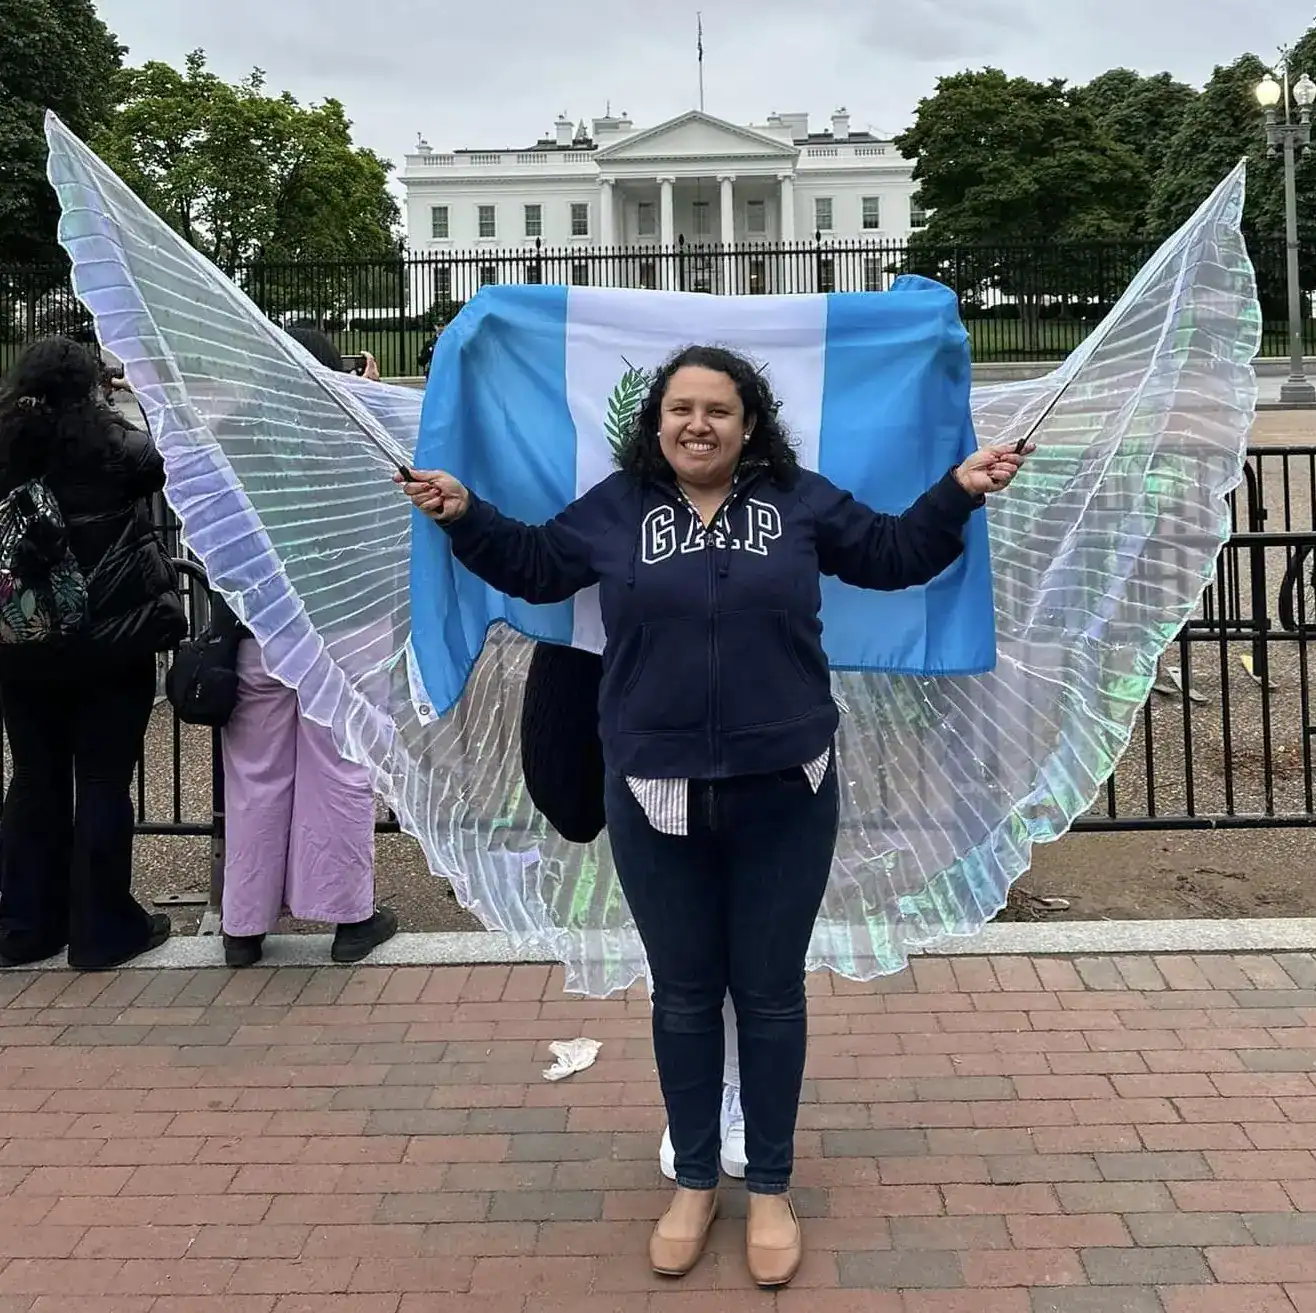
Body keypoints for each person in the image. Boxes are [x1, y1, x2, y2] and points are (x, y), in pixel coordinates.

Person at [399, 344, 1030, 1287]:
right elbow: (534, 566)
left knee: (771, 993)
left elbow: (896, 555)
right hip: (653, 791)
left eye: (719, 411)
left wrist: (960, 490)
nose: (699, 424)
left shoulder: (799, 502)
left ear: (750, 424)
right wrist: (465, 515)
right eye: (681, 408)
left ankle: (768, 1184)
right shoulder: (616, 507)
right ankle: (696, 1180)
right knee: (686, 993)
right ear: (655, 420)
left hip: (789, 788)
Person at [0, 337, 186, 970]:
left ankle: (26, 924)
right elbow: (165, 464)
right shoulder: (114, 451)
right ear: (90, 388)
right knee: (103, 779)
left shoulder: (6, 446)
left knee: (33, 776)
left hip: (21, 645)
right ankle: (101, 928)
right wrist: (126, 399)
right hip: (109, 639)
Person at [217, 326, 396, 967]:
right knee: (342, 766)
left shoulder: (238, 432)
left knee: (255, 777)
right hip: (347, 618)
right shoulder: (351, 428)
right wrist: (362, 398)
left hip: (263, 623)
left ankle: (243, 925)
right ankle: (349, 916)